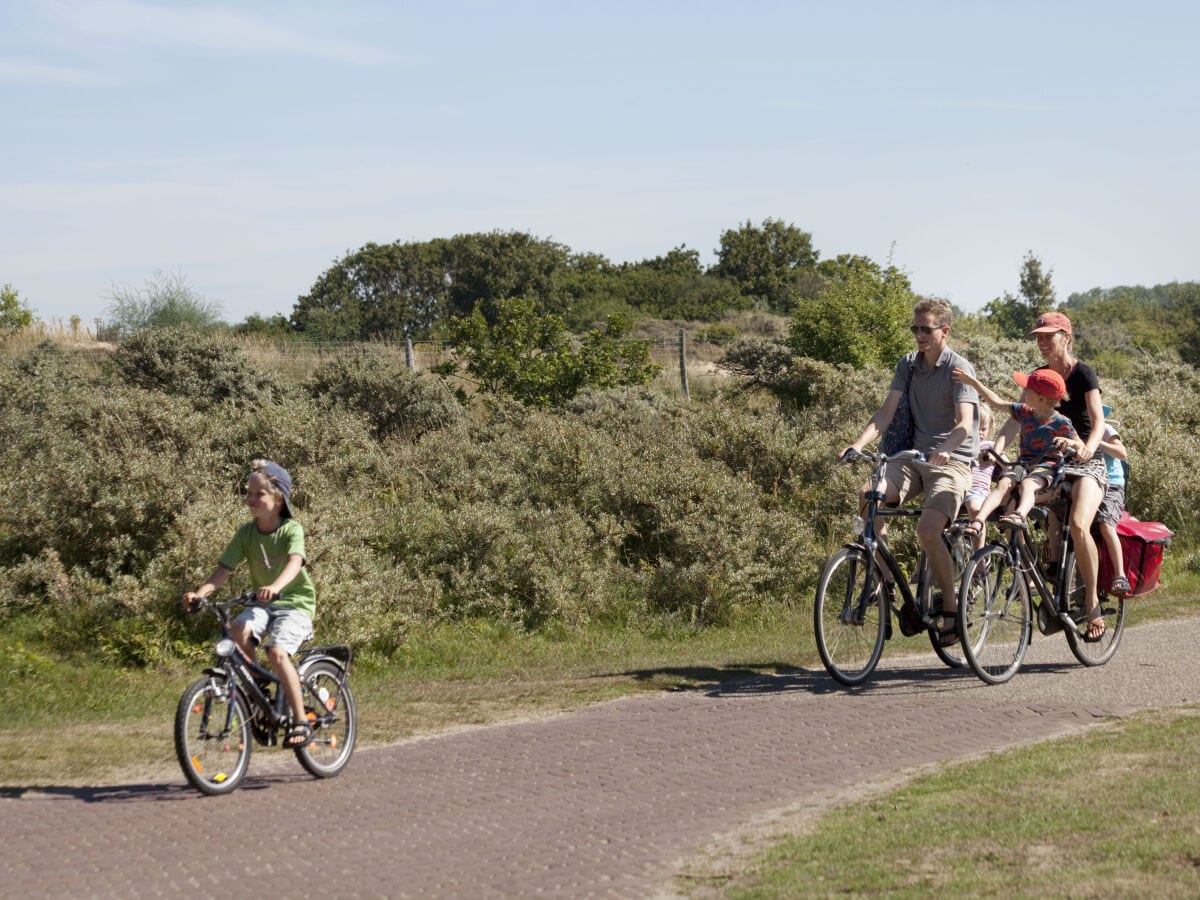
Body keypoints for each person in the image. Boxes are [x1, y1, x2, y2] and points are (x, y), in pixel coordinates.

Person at [841, 297, 979, 646]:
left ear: (944, 331)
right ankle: (884, 579)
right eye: (915, 328)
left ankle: (951, 610)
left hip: (954, 460)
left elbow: (965, 424)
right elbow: (885, 412)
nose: (919, 335)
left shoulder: (959, 368)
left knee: (927, 529)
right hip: (912, 457)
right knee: (868, 494)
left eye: (926, 329)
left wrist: (945, 451)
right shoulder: (908, 365)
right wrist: (857, 444)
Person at [182, 460, 317, 748]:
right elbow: (222, 571)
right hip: (263, 603)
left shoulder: (291, 529)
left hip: (295, 603)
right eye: (249, 493)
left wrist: (275, 587)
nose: (251, 499)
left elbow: (295, 562)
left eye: (259, 494)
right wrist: (201, 593)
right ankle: (258, 688)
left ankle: (301, 722)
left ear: (278, 498)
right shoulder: (246, 533)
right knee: (238, 629)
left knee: (277, 652)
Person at [1017, 311, 1109, 642]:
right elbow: (1016, 416)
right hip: (1051, 462)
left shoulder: (1083, 373)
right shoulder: (1038, 375)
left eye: (1049, 336)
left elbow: (1098, 420)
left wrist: (1087, 447)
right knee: (1012, 504)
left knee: (1080, 525)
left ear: (1065, 337)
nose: (1042, 342)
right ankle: (1038, 580)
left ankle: (1092, 602)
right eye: (1039, 337)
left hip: (1086, 463)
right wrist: (992, 449)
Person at [952, 367, 1083, 534]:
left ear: (1042, 399)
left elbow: (1081, 446)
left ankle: (1019, 515)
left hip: (1046, 469)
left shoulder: (1061, 423)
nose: (1024, 391)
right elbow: (996, 402)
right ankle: (978, 521)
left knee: (1028, 485)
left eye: (1028, 389)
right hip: (1024, 465)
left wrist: (1069, 442)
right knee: (1003, 484)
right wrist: (973, 383)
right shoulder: (1025, 412)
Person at [1097, 406, 1131, 596]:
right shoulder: (1077, 431)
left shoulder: (1107, 430)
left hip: (1113, 485)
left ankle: (1120, 575)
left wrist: (1099, 443)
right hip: (1091, 483)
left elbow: (1122, 453)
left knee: (1105, 525)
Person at [963, 404, 996, 551]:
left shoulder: (989, 446)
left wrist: (994, 458)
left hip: (978, 489)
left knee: (975, 510)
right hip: (959, 486)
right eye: (977, 428)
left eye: (984, 429)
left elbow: (1004, 460)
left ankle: (978, 557)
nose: (980, 433)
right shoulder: (962, 444)